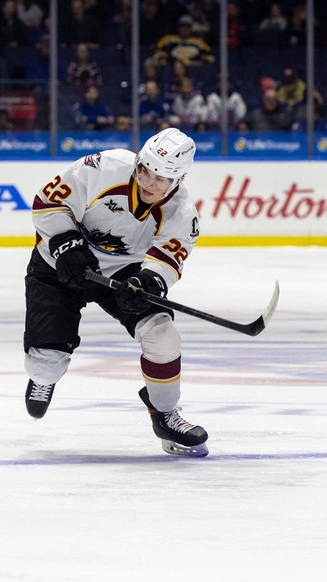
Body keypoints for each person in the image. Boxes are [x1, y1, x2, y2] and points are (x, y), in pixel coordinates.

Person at [23, 127, 209, 457]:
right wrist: (66, 243)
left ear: (178, 180)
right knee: (46, 363)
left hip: (124, 272)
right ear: (138, 163)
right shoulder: (101, 168)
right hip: (60, 262)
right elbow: (48, 201)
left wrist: (150, 281)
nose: (150, 183)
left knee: (163, 335)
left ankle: (164, 412)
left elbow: (168, 258)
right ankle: (44, 376)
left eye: (162, 180)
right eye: (146, 172)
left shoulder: (182, 212)